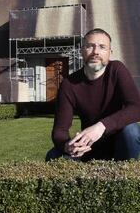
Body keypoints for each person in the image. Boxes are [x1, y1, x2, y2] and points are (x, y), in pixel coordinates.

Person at [46, 28, 140, 161]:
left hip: (120, 145)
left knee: (131, 131)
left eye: (102, 47)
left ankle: (123, 176)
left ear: (109, 53)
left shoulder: (117, 70)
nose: (96, 52)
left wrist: (101, 127)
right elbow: (59, 130)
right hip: (88, 148)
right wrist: (68, 146)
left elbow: (136, 107)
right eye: (90, 46)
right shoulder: (69, 84)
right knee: (54, 155)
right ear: (82, 51)